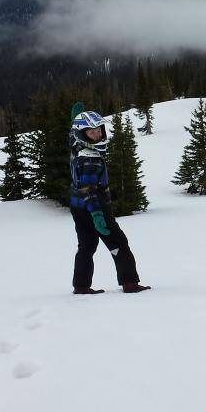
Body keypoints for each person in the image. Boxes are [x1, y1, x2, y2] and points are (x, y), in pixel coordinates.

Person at [69, 110, 151, 294]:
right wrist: (97, 214)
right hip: (94, 207)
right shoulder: (91, 158)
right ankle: (129, 282)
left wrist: (73, 119)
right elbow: (88, 189)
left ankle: (81, 286)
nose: (98, 134)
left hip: (78, 207)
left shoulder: (77, 148)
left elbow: (71, 138)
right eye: (92, 132)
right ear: (82, 134)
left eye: (99, 130)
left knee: (86, 246)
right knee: (118, 243)